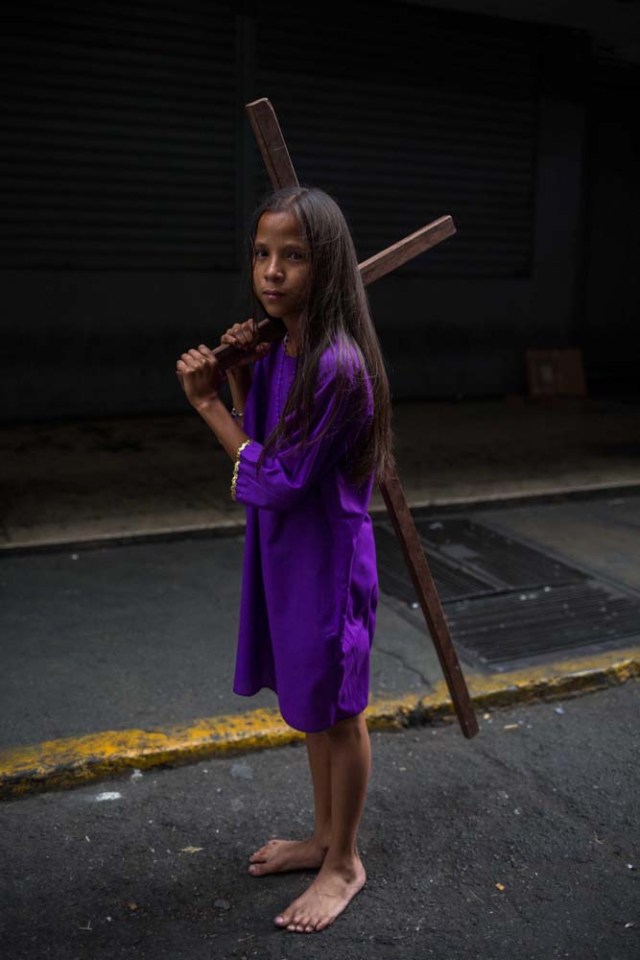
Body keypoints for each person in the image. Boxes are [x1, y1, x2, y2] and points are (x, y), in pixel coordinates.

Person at [176, 186, 394, 934]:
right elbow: (270, 439)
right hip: (284, 552)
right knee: (310, 705)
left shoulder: (335, 364)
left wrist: (208, 405)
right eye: (263, 254)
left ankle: (346, 862)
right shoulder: (286, 348)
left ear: (326, 266)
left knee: (340, 710)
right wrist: (241, 373)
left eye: (293, 256)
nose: (272, 272)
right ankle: (322, 835)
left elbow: (278, 476)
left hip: (326, 560)